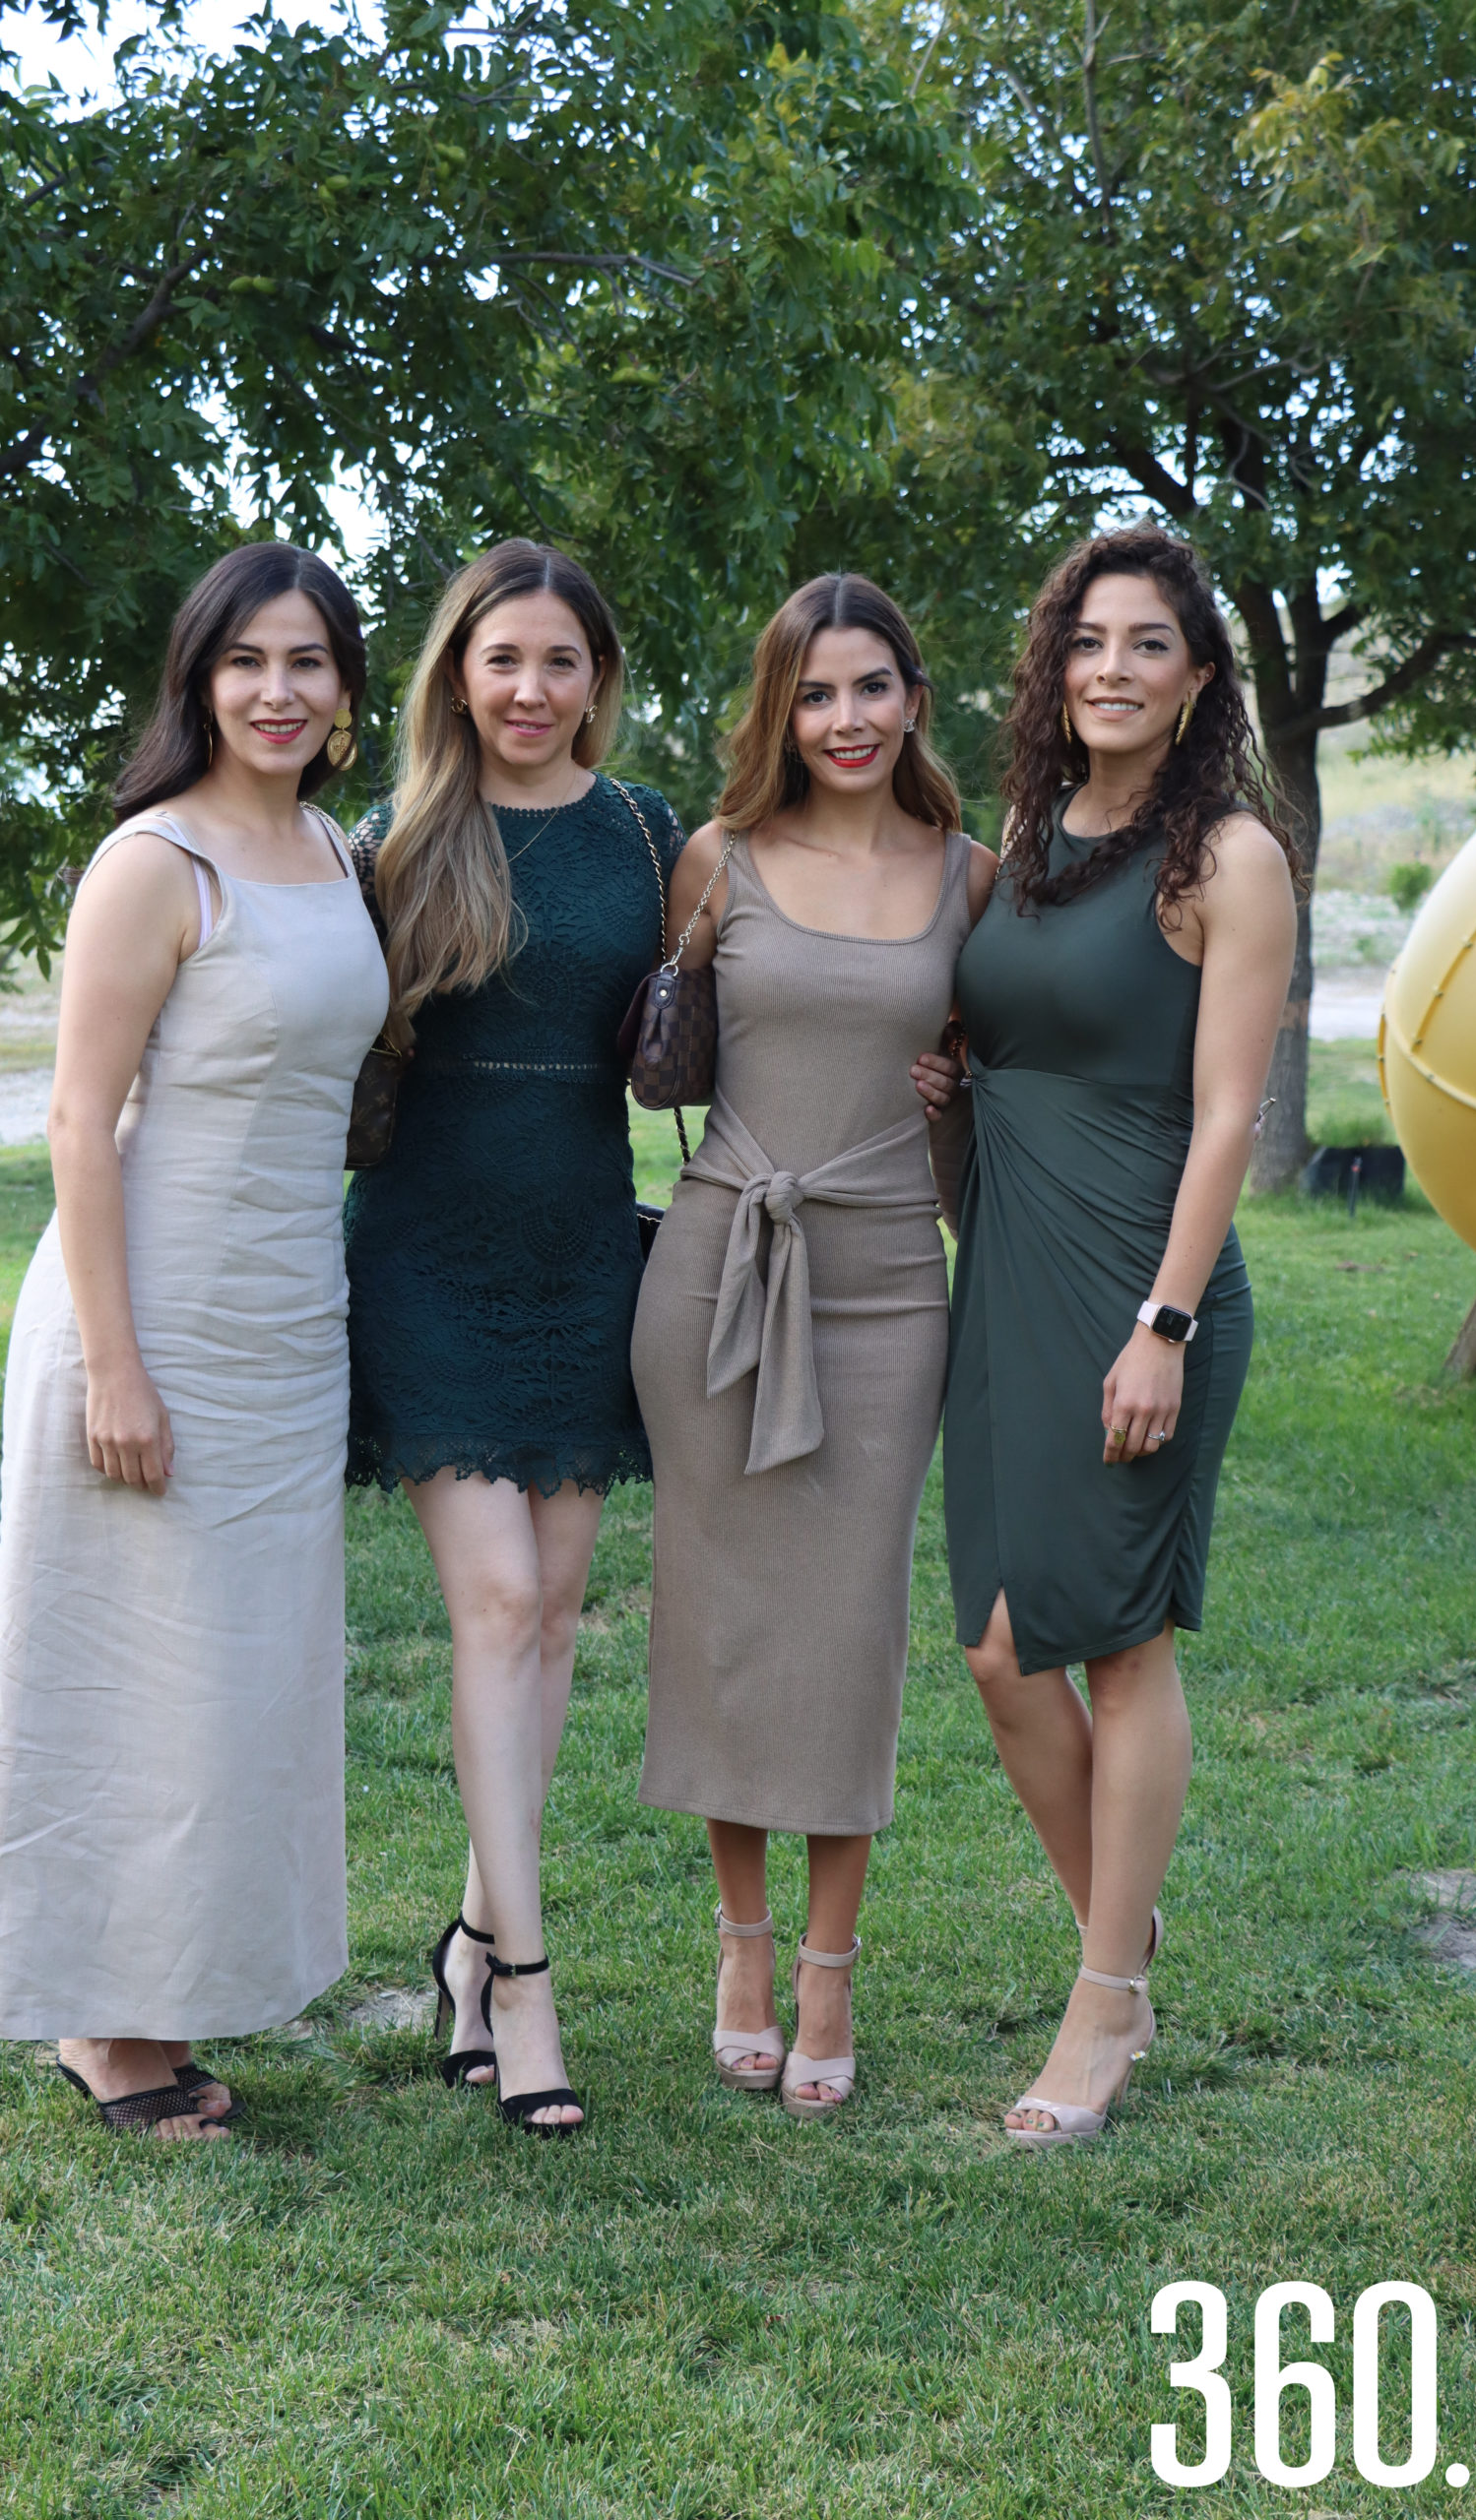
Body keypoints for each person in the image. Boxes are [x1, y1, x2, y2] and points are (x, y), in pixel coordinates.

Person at [0, 543, 390, 2139]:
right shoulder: (156, 861)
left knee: (240, 1683)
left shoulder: (341, 853)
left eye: (310, 664)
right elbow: (79, 1118)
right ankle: (104, 2024)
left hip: (289, 1319)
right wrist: (118, 1368)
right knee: (121, 1672)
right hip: (142, 1309)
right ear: (200, 680)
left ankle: (180, 1981)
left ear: (347, 693)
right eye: (247, 663)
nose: (278, 692)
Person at [944, 523, 1299, 2146]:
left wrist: (1161, 1321)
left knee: (1119, 1640)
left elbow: (1229, 1113)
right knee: (1001, 1652)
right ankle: (1123, 1947)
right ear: (1054, 661)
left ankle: (1100, 2008)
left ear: (1199, 677)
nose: (1112, 667)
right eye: (1089, 639)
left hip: (1143, 1289)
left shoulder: (1224, 854)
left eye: (1149, 643)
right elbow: (1001, 1031)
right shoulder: (1028, 834)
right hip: (1006, 1286)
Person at [633, 573, 995, 2119]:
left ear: (917, 697)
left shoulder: (974, 876)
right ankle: (740, 1946)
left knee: (849, 1629)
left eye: (870, 687)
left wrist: (961, 1087)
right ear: (780, 711)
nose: (844, 720)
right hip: (721, 1264)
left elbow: (1001, 1087)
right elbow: (669, 1057)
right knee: (721, 1619)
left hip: (887, 1282)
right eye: (814, 693)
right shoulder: (717, 859)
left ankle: (833, 1967)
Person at [345, 539, 683, 2136]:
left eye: (561, 663)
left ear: (597, 680)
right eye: (503, 661)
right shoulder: (397, 843)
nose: (532, 690)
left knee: (554, 1612)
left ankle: (474, 1939)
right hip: (428, 1254)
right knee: (493, 1600)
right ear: (456, 676)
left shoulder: (643, 833)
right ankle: (528, 1992)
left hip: (580, 1254)